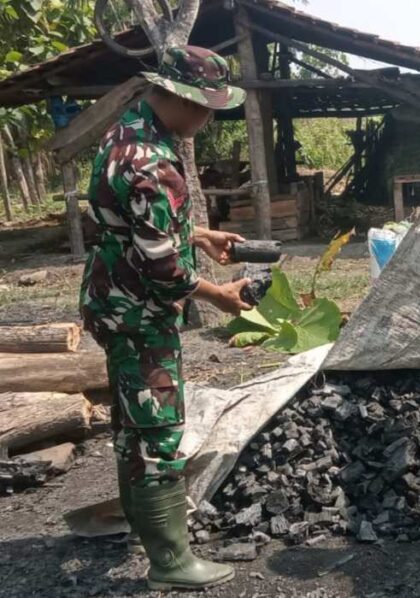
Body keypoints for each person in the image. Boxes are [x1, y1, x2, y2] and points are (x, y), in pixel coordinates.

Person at [80, 46, 252, 591]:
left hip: (111, 298)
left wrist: (200, 233)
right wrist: (219, 295)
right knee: (157, 427)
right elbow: (165, 271)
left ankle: (142, 526)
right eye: (206, 107)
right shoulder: (154, 163)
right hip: (140, 310)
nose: (208, 118)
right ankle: (171, 561)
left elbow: (134, 223)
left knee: (132, 421)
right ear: (179, 96)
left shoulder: (125, 133)